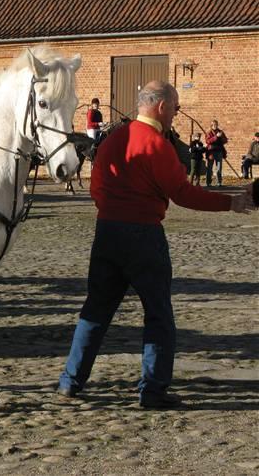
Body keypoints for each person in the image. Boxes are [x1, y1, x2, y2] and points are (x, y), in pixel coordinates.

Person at [56, 81, 253, 409]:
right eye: (175, 107)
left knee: (95, 310)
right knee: (158, 314)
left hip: (107, 231)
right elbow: (183, 194)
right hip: (144, 234)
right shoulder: (156, 145)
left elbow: (96, 189)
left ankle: (70, 383)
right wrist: (230, 204)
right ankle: (153, 389)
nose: (176, 114)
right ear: (161, 106)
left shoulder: (112, 140)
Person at [205, 119, 228, 187]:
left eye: (216, 125)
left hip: (219, 151)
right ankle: (208, 182)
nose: (215, 126)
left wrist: (221, 137)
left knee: (219, 168)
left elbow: (225, 140)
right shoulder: (209, 132)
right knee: (209, 168)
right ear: (211, 125)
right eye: (213, 125)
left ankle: (219, 182)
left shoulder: (220, 132)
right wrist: (216, 137)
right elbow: (208, 141)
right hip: (211, 152)